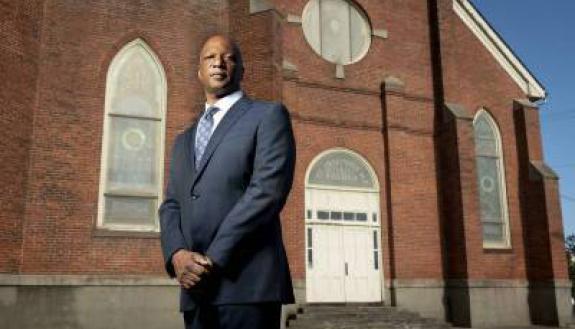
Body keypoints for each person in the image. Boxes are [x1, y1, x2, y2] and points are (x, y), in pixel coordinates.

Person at [159, 34, 296, 329]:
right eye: (209, 57)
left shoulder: (268, 115)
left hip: (247, 285)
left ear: (242, 70)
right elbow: (171, 204)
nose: (219, 62)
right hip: (195, 290)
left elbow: (267, 192)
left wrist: (211, 259)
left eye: (229, 57)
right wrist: (178, 256)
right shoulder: (183, 140)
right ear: (199, 71)